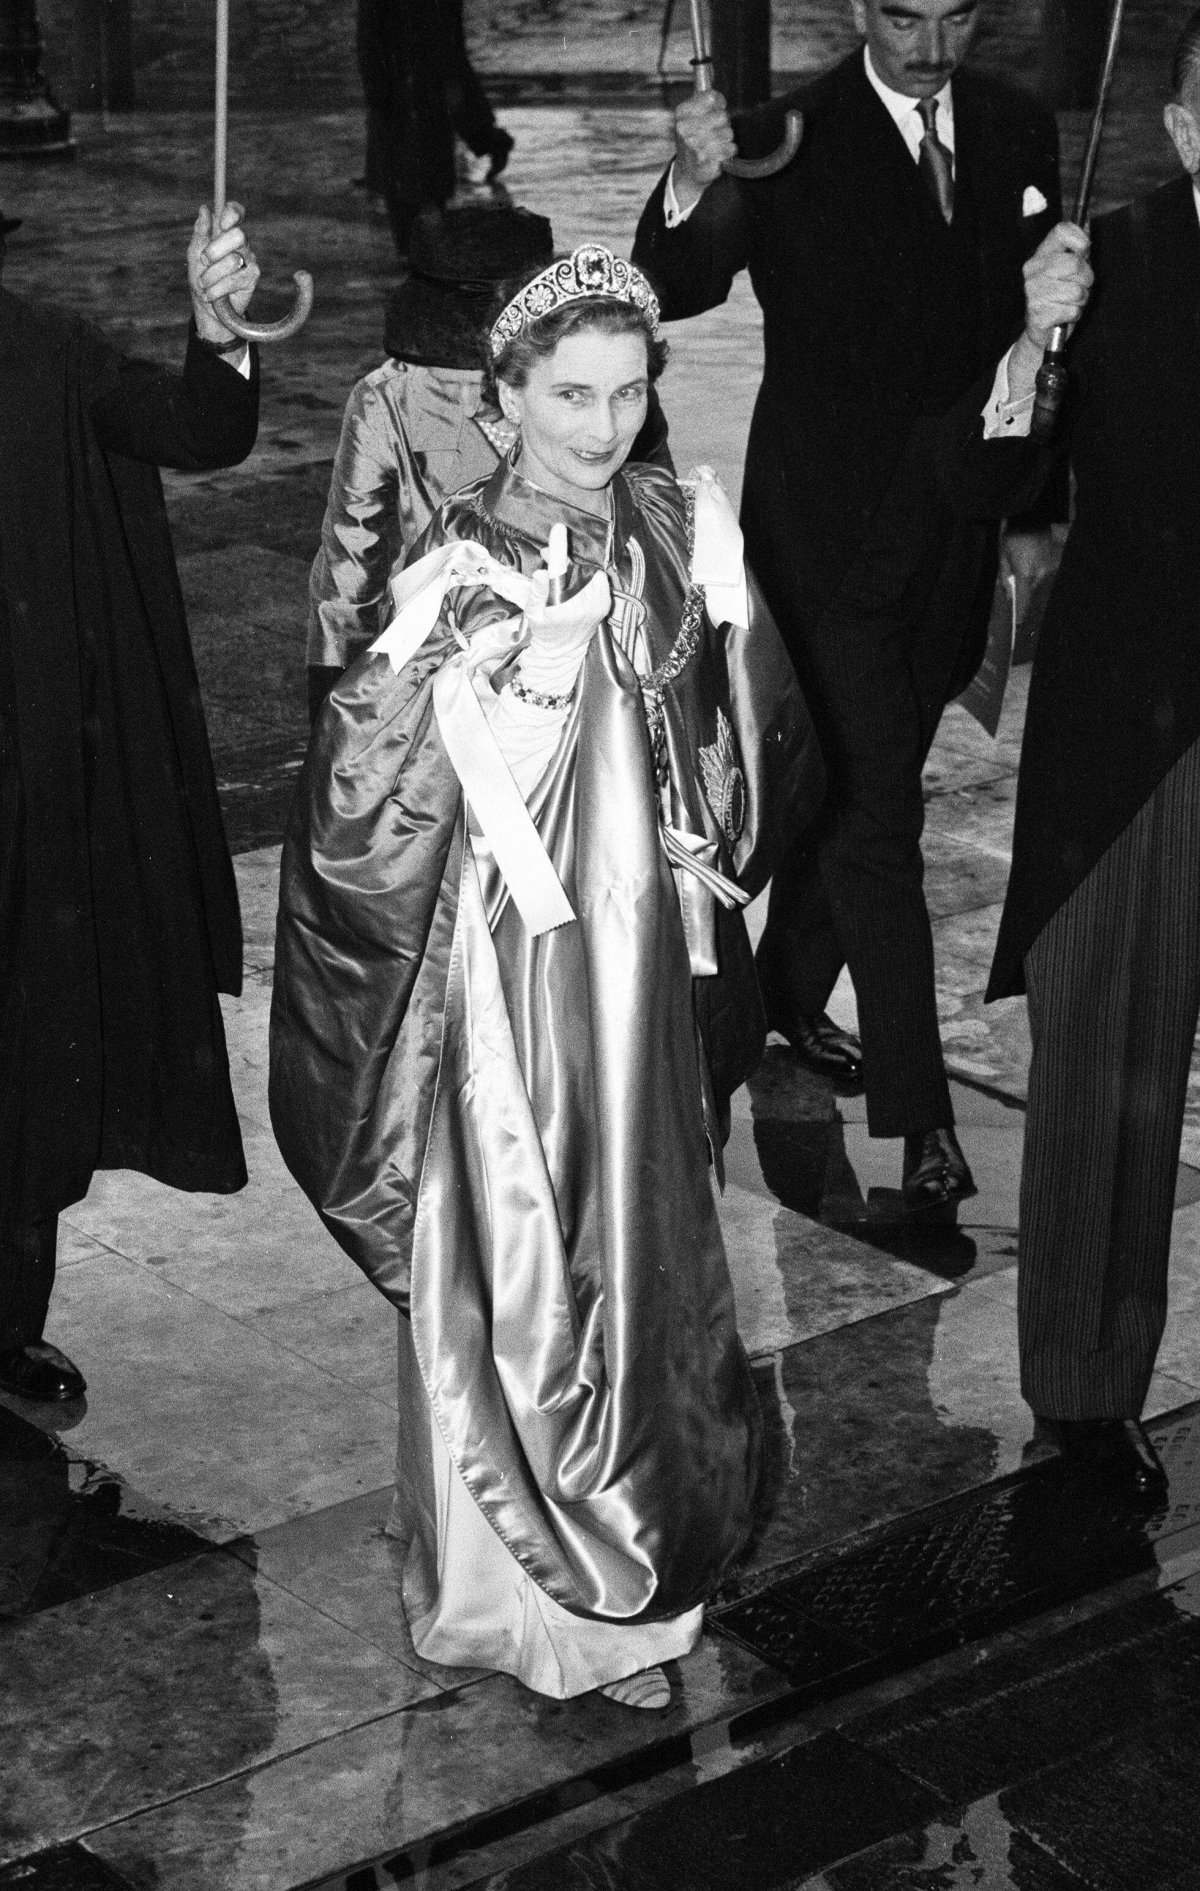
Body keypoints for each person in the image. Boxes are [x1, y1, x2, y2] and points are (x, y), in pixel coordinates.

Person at [270, 245, 823, 1705]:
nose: (602, 425)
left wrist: (722, 679)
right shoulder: (459, 560)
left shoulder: (672, 515)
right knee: (522, 1239)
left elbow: (744, 731)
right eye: (570, 394)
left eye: (629, 391)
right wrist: (477, 695)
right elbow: (353, 793)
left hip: (649, 960)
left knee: (641, 1236)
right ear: (503, 398)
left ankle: (631, 1541)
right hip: (520, 977)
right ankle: (525, 1593)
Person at [632, 0, 1064, 1206]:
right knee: (880, 820)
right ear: (863, 9)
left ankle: (779, 997)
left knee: (853, 781)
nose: (931, 46)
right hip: (826, 543)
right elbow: (676, 283)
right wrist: (689, 173)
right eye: (905, 17)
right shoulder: (788, 136)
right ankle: (920, 1126)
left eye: (956, 16)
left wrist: (1030, 511)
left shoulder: (1016, 125)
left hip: (956, 537)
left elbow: (1041, 333)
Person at [937, 10, 1200, 1502]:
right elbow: (1005, 478)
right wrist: (1030, 337)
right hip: (1129, 744)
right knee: (1107, 1065)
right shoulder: (1106, 265)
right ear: (1183, 129)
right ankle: (1083, 1395)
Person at [0, 204, 261, 1403]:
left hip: (21, 793)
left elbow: (199, 427)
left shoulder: (45, 353)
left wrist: (221, 334)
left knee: (20, 1058)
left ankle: (1, 1325)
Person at [307, 201, 673, 723]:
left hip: (447, 662)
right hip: (579, 645)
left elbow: (352, 566)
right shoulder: (606, 380)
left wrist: (335, 708)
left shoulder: (386, 393)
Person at [356, 0, 513, 257]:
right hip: (406, 85)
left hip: (420, 83)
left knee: (420, 176)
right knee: (410, 176)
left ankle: (489, 141)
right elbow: (371, 43)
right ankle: (489, 141)